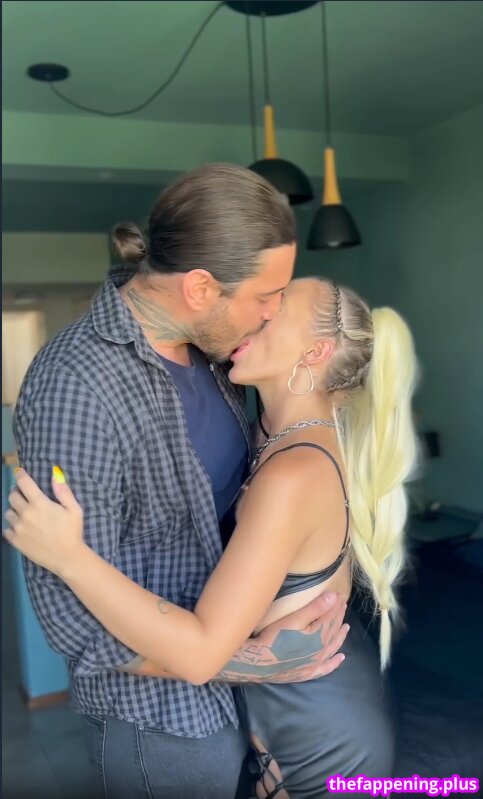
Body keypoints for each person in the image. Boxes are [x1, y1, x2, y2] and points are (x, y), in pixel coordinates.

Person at [8, 164, 348, 799]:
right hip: (165, 726)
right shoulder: (77, 386)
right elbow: (70, 616)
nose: (274, 311)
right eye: (266, 294)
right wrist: (252, 662)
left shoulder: (217, 351)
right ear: (199, 288)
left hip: (245, 701)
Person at [6, 276, 419, 798]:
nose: (253, 315)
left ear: (315, 352)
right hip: (287, 719)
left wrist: (69, 557)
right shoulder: (268, 433)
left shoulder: (294, 474)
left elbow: (200, 655)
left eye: (273, 312)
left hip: (320, 737)